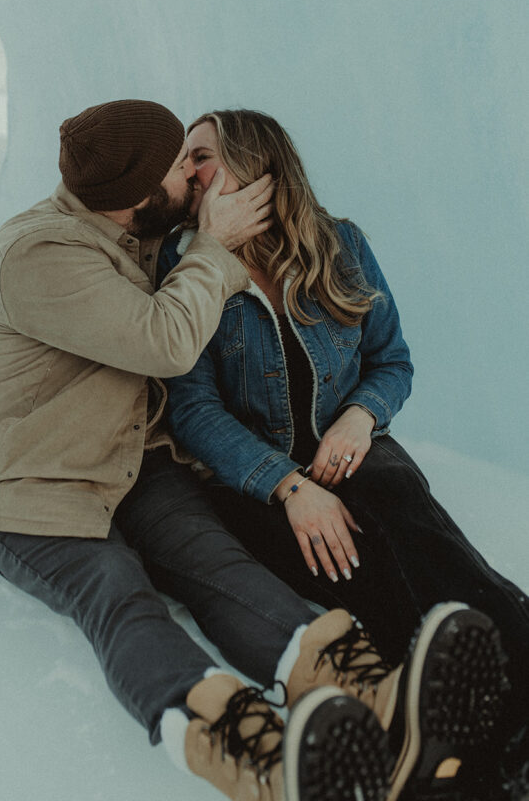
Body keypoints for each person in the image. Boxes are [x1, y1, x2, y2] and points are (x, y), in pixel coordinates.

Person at [0, 99, 506, 801]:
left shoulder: (147, 235)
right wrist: (214, 246)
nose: (192, 177)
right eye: (178, 167)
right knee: (115, 592)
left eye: (195, 159)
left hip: (137, 466)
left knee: (221, 568)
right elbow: (163, 340)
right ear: (137, 194)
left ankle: (370, 691)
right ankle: (253, 754)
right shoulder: (39, 251)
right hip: (34, 484)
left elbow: (378, 353)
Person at [160, 108, 529, 800]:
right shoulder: (184, 268)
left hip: (348, 444)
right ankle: (455, 746)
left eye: (201, 156)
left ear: (252, 165)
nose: (188, 172)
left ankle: (512, 686)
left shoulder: (340, 244)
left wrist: (359, 421)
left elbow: (391, 360)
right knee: (354, 564)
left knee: (406, 516)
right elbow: (192, 410)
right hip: (257, 473)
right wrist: (288, 487)